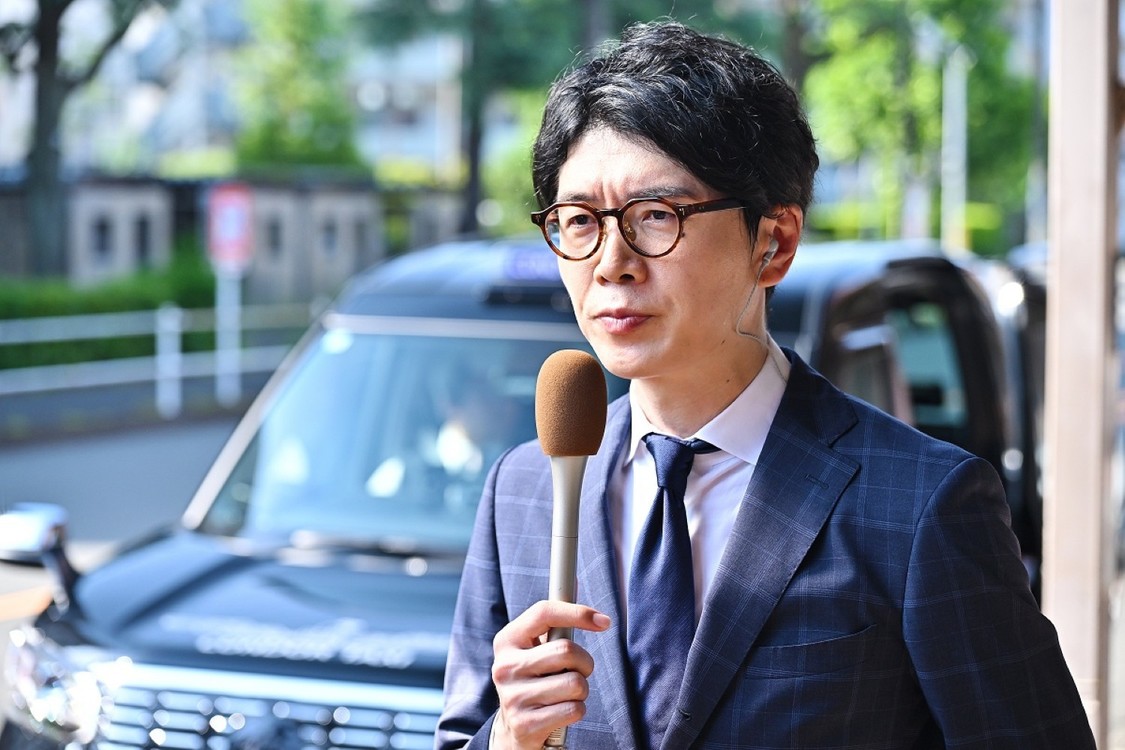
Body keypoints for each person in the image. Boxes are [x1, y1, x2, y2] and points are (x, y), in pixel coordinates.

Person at [436, 20, 1095, 750]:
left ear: (773, 242)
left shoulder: (920, 504)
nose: (611, 262)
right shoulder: (525, 489)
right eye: (579, 220)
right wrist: (507, 737)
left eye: (656, 216)